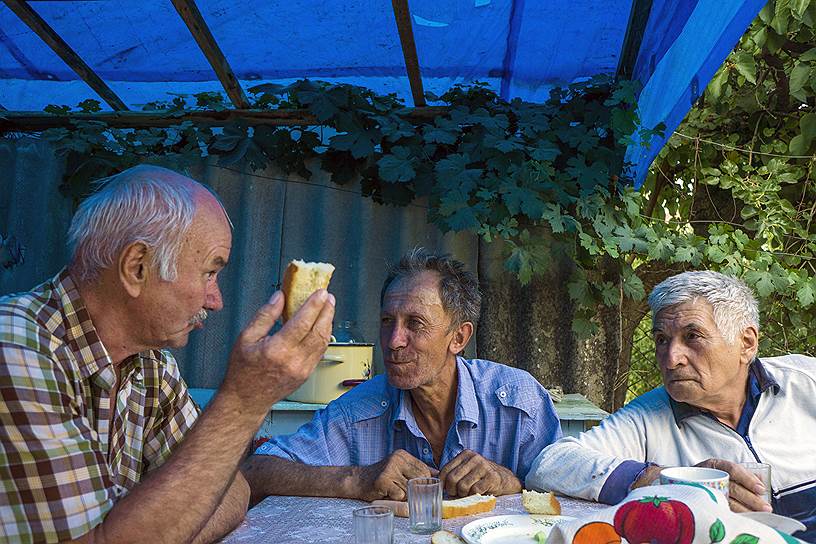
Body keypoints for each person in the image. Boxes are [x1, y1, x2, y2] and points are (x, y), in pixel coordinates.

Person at [0, 165, 335, 543]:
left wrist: (163, 526)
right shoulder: (17, 350)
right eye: (210, 272)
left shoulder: (152, 366)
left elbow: (232, 486)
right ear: (136, 266)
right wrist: (243, 401)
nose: (217, 299)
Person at [243, 248, 562, 504]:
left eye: (415, 323)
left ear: (459, 338)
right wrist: (358, 479)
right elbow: (255, 471)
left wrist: (511, 482)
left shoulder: (520, 400)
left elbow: (568, 498)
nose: (393, 341)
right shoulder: (358, 410)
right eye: (386, 321)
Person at [525, 271, 816, 540]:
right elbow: (550, 465)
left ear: (746, 343)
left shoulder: (805, 383)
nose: (671, 358)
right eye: (662, 340)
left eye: (693, 336)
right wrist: (669, 483)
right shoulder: (649, 416)